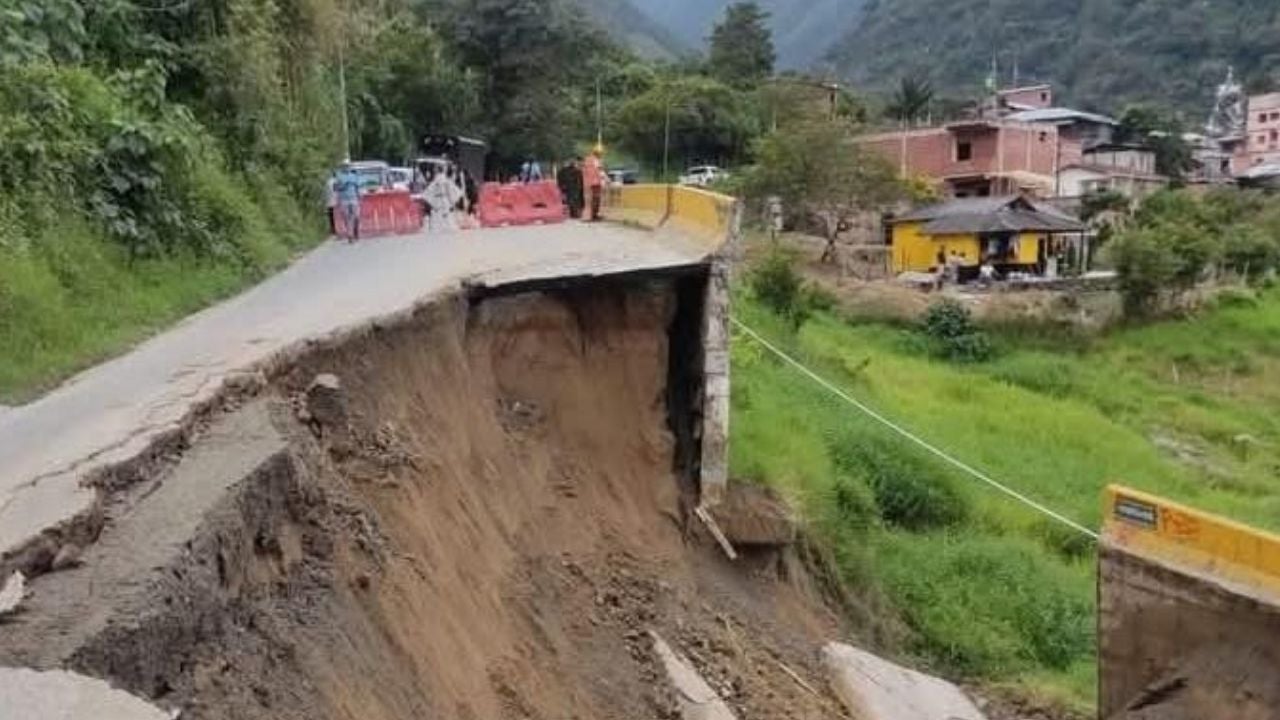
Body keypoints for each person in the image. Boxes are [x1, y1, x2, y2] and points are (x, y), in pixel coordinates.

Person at [425, 165, 463, 232]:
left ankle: (436, 228)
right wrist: (452, 201)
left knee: (437, 213)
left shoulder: (435, 180)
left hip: (437, 199)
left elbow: (429, 191)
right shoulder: (445, 180)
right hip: (444, 199)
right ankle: (446, 227)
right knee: (446, 214)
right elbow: (450, 191)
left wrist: (430, 198)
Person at [334, 163, 362, 242]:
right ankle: (350, 235)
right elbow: (336, 188)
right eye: (345, 166)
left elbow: (358, 187)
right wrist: (343, 186)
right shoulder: (339, 176)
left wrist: (359, 195)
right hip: (344, 199)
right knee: (347, 217)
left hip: (354, 198)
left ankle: (355, 231)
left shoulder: (354, 176)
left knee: (356, 216)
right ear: (342, 167)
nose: (346, 168)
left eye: (348, 166)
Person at [582, 149, 606, 222]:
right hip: (595, 183)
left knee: (588, 201)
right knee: (596, 199)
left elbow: (584, 171)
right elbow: (600, 170)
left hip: (587, 183)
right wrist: (606, 179)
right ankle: (593, 216)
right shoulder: (596, 160)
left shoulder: (586, 160)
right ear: (598, 154)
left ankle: (587, 216)